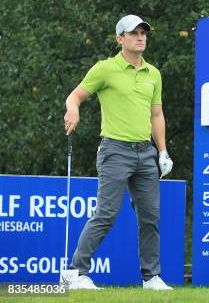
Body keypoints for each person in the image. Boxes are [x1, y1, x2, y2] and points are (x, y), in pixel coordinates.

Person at [61, 15, 174, 290]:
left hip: (146, 153)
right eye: (133, 33)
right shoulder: (105, 69)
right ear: (120, 39)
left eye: (143, 32)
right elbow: (75, 95)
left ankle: (151, 278)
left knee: (150, 216)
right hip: (115, 150)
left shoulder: (153, 73)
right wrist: (73, 109)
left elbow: (156, 114)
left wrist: (163, 152)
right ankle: (75, 273)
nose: (140, 37)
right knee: (107, 213)